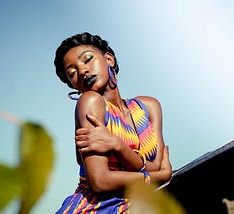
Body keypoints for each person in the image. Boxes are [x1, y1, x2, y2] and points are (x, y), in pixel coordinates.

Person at [54, 32, 172, 213]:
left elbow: (154, 165)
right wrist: (159, 177)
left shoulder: (148, 106)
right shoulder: (90, 102)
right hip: (95, 208)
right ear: (73, 86)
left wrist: (118, 145)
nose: (83, 71)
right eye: (72, 73)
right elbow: (100, 181)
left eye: (87, 59)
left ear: (108, 59)